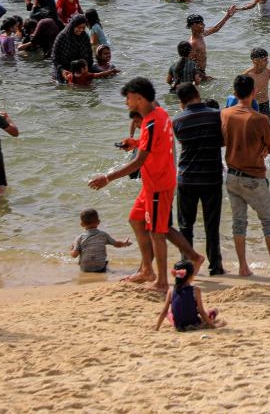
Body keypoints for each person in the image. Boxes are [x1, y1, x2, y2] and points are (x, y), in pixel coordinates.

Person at [88, 77, 205, 291]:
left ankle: (161, 280)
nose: (127, 103)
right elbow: (153, 145)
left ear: (139, 98)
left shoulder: (151, 122)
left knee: (158, 232)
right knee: (136, 220)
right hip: (152, 183)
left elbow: (139, 161)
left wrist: (107, 178)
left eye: (129, 99)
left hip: (159, 184)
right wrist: (134, 142)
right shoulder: (159, 113)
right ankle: (148, 269)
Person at [221, 74, 270, 277]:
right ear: (253, 93)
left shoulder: (225, 114)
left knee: (239, 222)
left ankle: (243, 267)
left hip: (232, 176)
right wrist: (262, 147)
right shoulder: (260, 119)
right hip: (253, 176)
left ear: (234, 93)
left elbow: (222, 140)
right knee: (268, 222)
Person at [172, 82, 226, 276]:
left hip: (186, 178)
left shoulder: (177, 120)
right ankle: (216, 266)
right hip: (211, 177)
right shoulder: (216, 115)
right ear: (198, 93)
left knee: (186, 225)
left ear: (181, 101)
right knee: (212, 225)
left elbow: (182, 142)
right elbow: (223, 141)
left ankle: (186, 265)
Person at [155, 260, 225, 331]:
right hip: (193, 324)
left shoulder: (171, 291)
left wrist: (156, 328)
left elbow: (164, 311)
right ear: (191, 276)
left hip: (178, 325)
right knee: (214, 311)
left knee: (168, 313)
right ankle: (210, 320)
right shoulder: (195, 290)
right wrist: (213, 326)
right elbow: (202, 312)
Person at [71, 209, 131, 273]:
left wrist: (72, 248)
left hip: (86, 269)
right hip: (100, 268)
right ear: (98, 222)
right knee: (105, 264)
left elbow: (74, 255)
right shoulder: (103, 235)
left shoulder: (79, 238)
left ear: (82, 224)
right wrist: (124, 243)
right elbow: (116, 244)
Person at [186, 7, 237, 80]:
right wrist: (204, 77)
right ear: (193, 26)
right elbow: (188, 65)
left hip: (201, 73)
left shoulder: (200, 35)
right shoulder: (193, 43)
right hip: (195, 75)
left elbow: (216, 29)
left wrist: (227, 16)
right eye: (201, 24)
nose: (204, 25)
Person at [51, 14, 93, 82]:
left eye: (83, 28)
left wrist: (88, 72)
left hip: (81, 70)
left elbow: (90, 56)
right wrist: (61, 70)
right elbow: (54, 57)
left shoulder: (85, 37)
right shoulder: (61, 37)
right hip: (63, 71)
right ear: (73, 26)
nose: (81, 30)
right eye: (79, 27)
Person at [243, 47, 270, 119]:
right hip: (251, 104)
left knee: (267, 124)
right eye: (264, 60)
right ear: (255, 60)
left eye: (267, 59)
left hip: (264, 103)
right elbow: (240, 92)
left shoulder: (269, 72)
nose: (267, 61)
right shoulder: (247, 74)